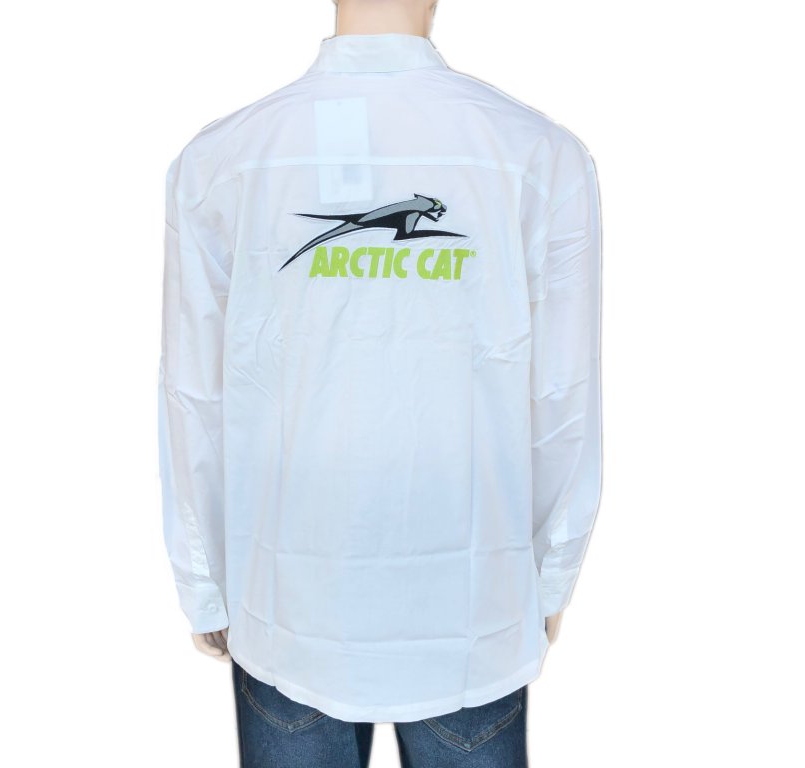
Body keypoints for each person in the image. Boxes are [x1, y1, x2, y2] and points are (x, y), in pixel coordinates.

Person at [157, 1, 603, 765]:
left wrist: (205, 583)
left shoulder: (224, 158)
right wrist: (550, 575)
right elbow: (563, 398)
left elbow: (196, 397)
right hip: (471, 614)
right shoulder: (536, 152)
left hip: (288, 607)